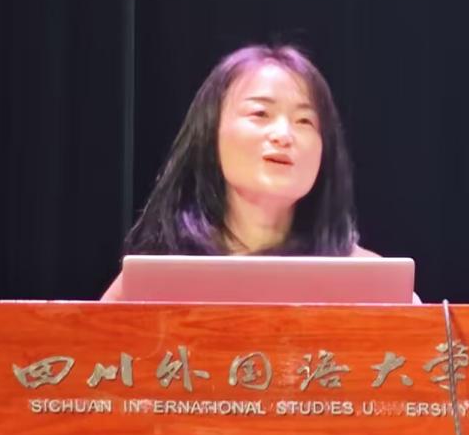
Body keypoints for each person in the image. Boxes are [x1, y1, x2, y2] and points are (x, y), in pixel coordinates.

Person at [101, 43, 383, 301]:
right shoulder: (154, 280)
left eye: (304, 121)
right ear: (210, 133)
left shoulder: (367, 281)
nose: (284, 135)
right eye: (260, 114)